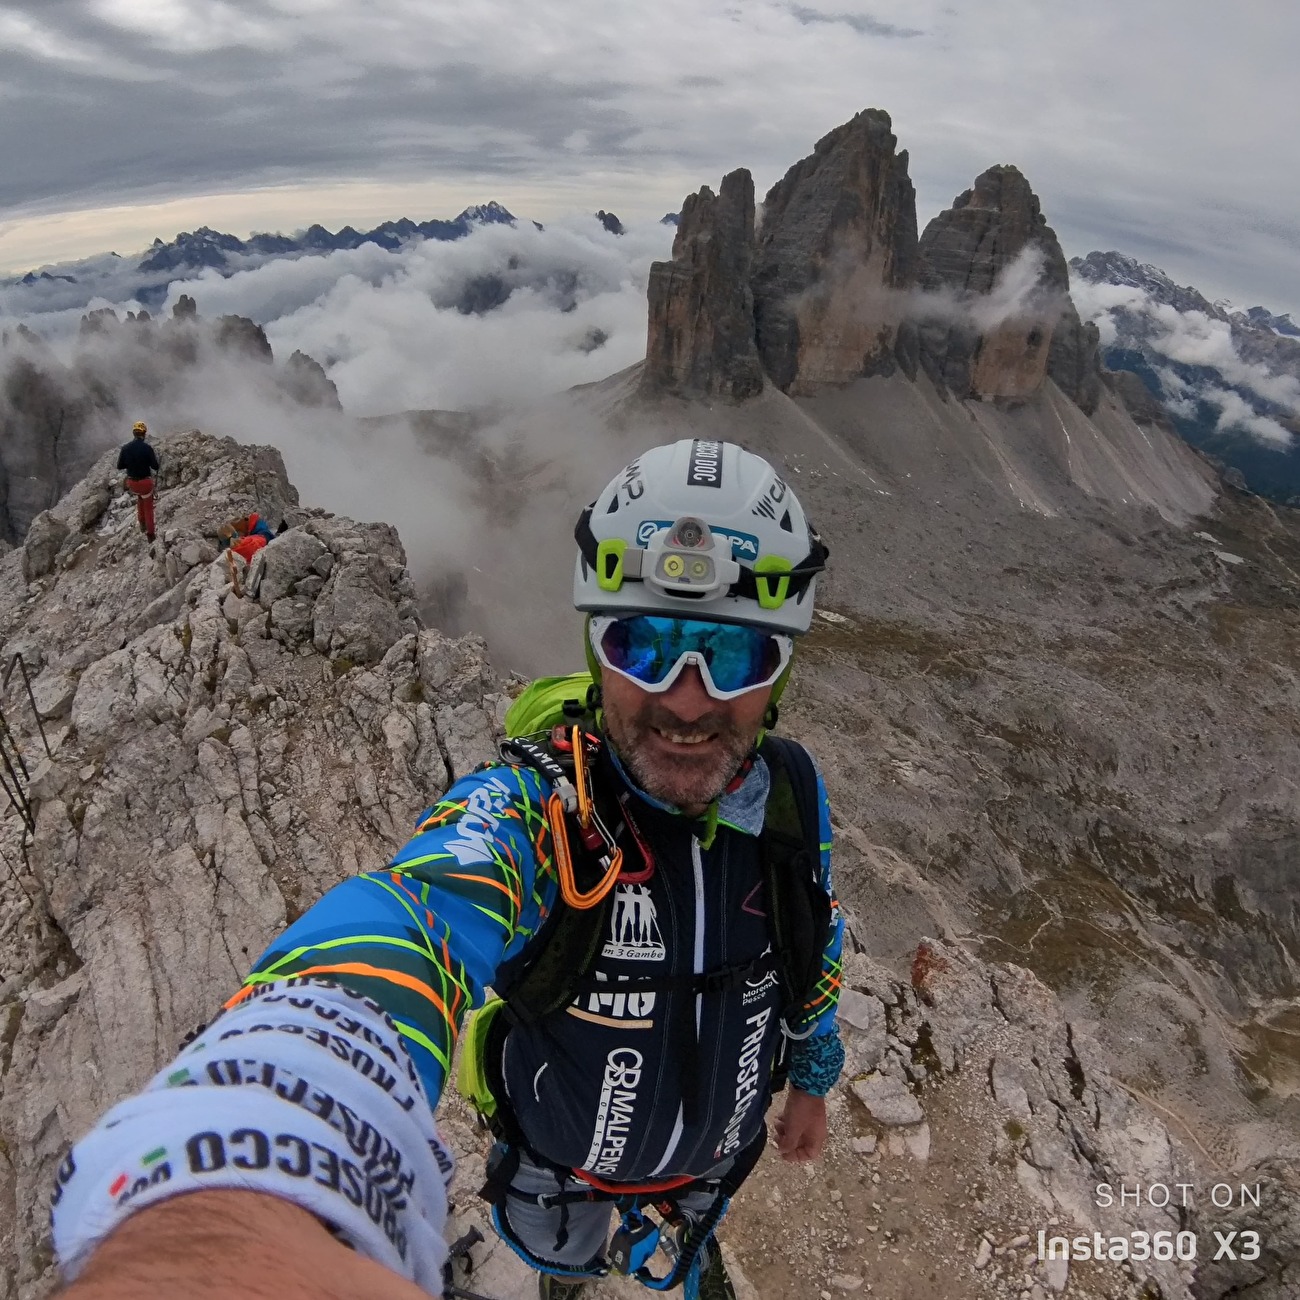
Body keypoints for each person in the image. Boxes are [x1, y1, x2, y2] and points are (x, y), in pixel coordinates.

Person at [50, 439, 842, 1300]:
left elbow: (814, 933)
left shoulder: (793, 797)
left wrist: (811, 1078)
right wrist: (249, 1168)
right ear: (594, 648)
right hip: (561, 1169)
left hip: (712, 1162)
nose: (686, 700)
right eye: (644, 645)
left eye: (734, 656)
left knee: (683, 1248)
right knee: (561, 1268)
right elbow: (413, 916)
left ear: (783, 668)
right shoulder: (536, 808)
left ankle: (673, 1254)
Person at [116, 421, 159, 542]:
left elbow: (119, 466)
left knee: (140, 498)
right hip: (145, 483)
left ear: (134, 433)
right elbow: (155, 466)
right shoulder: (147, 448)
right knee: (149, 507)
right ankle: (150, 534)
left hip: (132, 484)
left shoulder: (125, 448)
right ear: (144, 434)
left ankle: (142, 523)